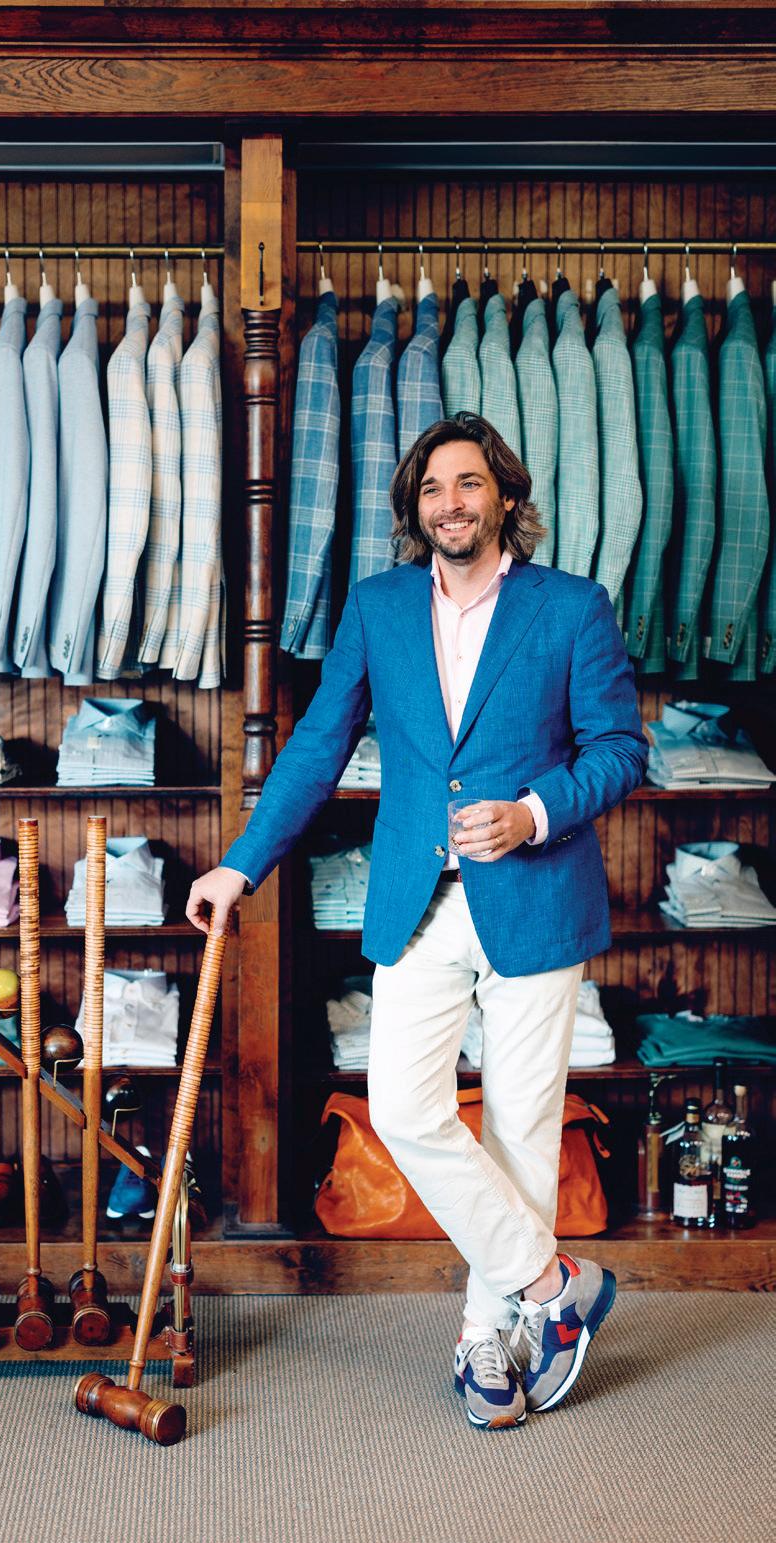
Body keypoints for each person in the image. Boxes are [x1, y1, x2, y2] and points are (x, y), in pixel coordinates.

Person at [187, 411, 649, 1430]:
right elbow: (317, 746)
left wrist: (532, 812)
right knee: (401, 1107)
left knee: (522, 1129)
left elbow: (621, 749)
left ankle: (487, 1339)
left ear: (505, 495)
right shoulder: (379, 607)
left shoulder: (572, 607)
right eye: (433, 487)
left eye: (469, 483)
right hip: (419, 901)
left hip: (535, 894)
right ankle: (553, 1286)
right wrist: (239, 863)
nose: (451, 502)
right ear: (415, 508)